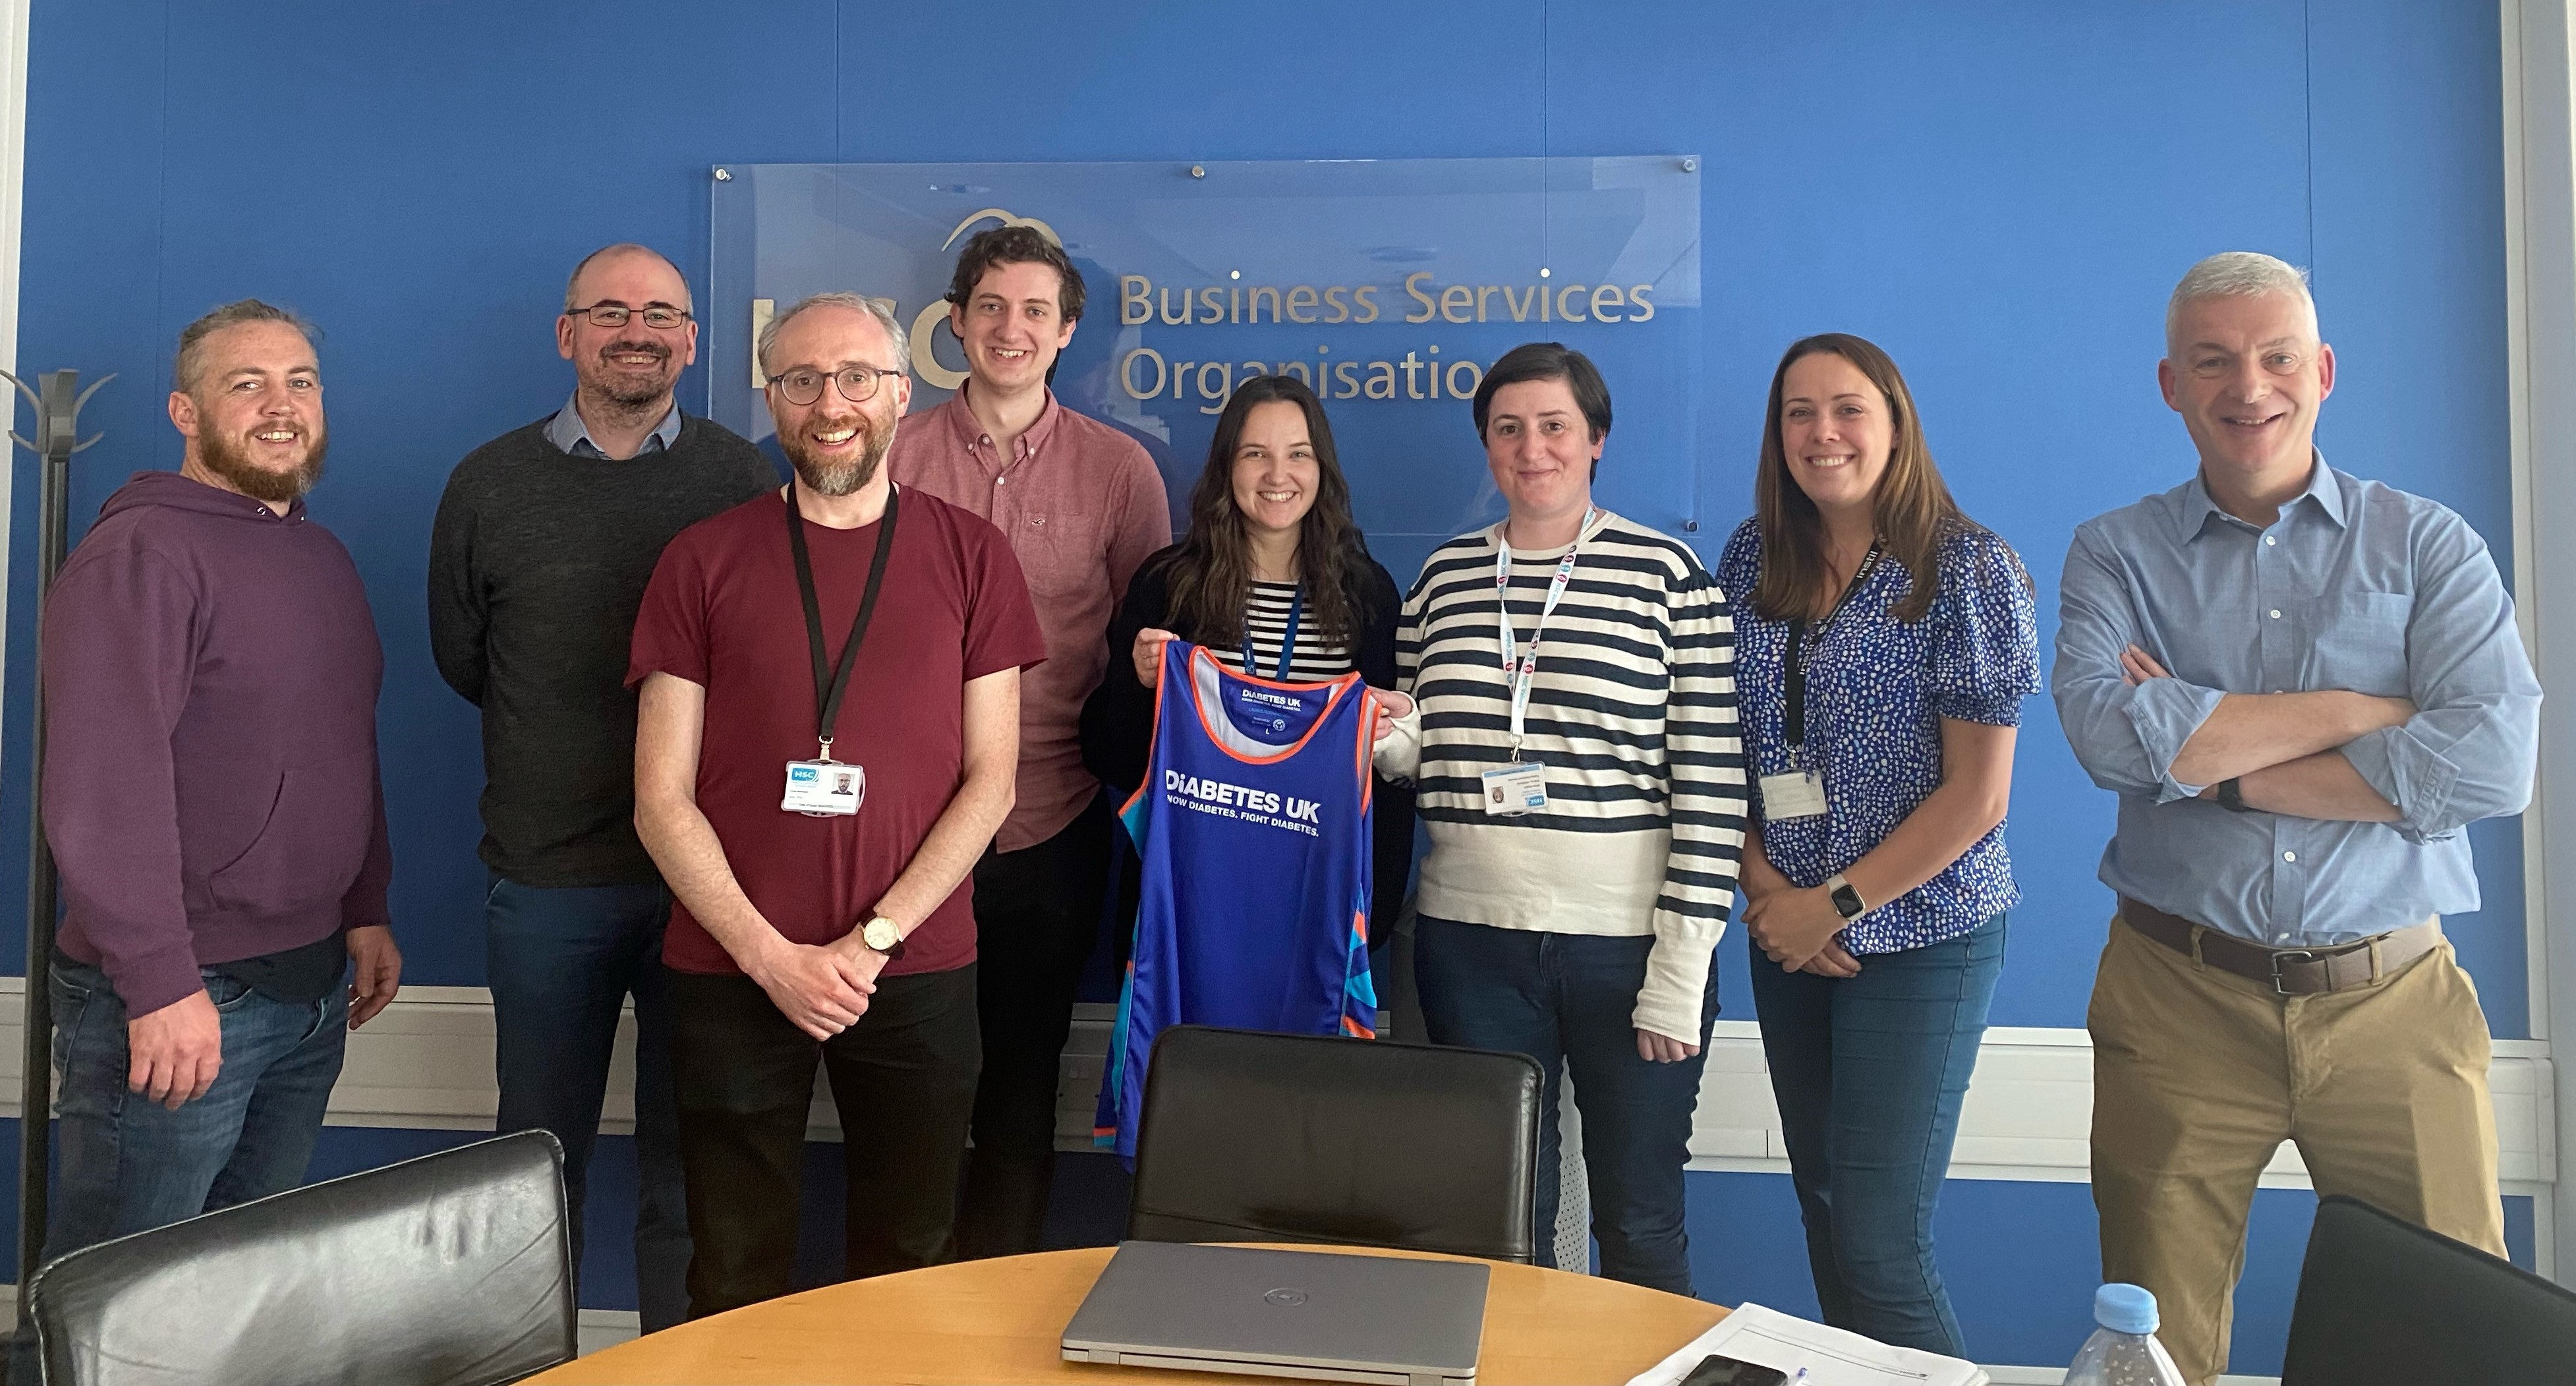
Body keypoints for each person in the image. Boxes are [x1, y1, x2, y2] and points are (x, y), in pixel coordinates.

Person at [2054, 252, 2541, 1385]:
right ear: (2168, 383)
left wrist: (2211, 752)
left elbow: (2491, 762)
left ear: (2318, 371)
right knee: (2150, 1351)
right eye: (2212, 359)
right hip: (2172, 1001)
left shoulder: (2426, 547)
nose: (2247, 385)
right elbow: (2106, 739)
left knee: (2447, 1342)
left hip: (2392, 1007)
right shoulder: (2111, 553)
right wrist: (2366, 715)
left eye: (2274, 356)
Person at [629, 292, 1044, 1315]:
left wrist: (873, 940)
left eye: (857, 377)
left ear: (903, 393)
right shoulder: (701, 558)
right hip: (733, 968)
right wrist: (771, 956)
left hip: (915, 968)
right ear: (771, 398)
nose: (831, 402)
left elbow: (993, 776)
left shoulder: (973, 554)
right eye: (802, 379)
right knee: (729, 1266)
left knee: (910, 1258)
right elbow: (659, 796)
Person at [30, 301, 403, 1358]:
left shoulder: (320, 557)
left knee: (233, 1302)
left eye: (300, 381)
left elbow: (342, 746)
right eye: (248, 384)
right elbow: (102, 783)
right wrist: (157, 981)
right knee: (122, 1313)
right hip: (183, 999)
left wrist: (364, 906)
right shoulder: (140, 553)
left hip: (309, 983)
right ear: (186, 411)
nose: (281, 405)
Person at [428, 243, 774, 1330]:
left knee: (693, 1157)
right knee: (532, 1162)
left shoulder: (742, 482)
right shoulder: (488, 483)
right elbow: (463, 657)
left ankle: (677, 1361)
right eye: (611, 311)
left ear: (692, 339)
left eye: (662, 313)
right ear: (566, 332)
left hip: (708, 887)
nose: (638, 331)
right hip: (546, 886)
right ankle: (537, 1365)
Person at [1370, 341, 1746, 1294]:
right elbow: (1420, 755)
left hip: (1627, 952)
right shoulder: (1441, 581)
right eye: (1507, 428)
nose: (1530, 449)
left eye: (1553, 427)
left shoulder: (1669, 575)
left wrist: (1679, 969)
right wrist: (1379, 737)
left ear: (1596, 441)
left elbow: (1711, 781)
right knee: (1497, 1223)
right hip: (1469, 946)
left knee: (1640, 1217)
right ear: (1486, 447)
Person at [1715, 334, 2038, 1354]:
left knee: (1882, 1238)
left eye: (1848, 408)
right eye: (1799, 412)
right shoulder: (1746, 558)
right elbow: (1712, 745)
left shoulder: (1965, 567)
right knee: (1826, 1215)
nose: (1822, 432)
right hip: (1787, 936)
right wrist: (1769, 895)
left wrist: (1834, 902)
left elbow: (1978, 795)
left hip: (1922, 935)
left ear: (1895, 422)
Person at [888, 223, 1171, 1257]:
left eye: (1036, 311)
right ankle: (907, 1320)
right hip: (905, 836)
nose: (1012, 329)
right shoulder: (894, 452)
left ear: (1067, 334)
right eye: (992, 307)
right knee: (912, 1082)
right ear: (954, 321)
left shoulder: (1120, 470)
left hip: (1051, 829)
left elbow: (1146, 649)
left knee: (1019, 1084)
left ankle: (988, 1321)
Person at [1081, 373, 1414, 943]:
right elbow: (1112, 760)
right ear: (1226, 468)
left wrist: (1373, 906)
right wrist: (1138, 688)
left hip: (1317, 898)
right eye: (1255, 453)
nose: (1277, 475)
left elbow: (1384, 781)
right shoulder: (1170, 586)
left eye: (1298, 455)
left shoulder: (1366, 594)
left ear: (1321, 469)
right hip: (1192, 898)